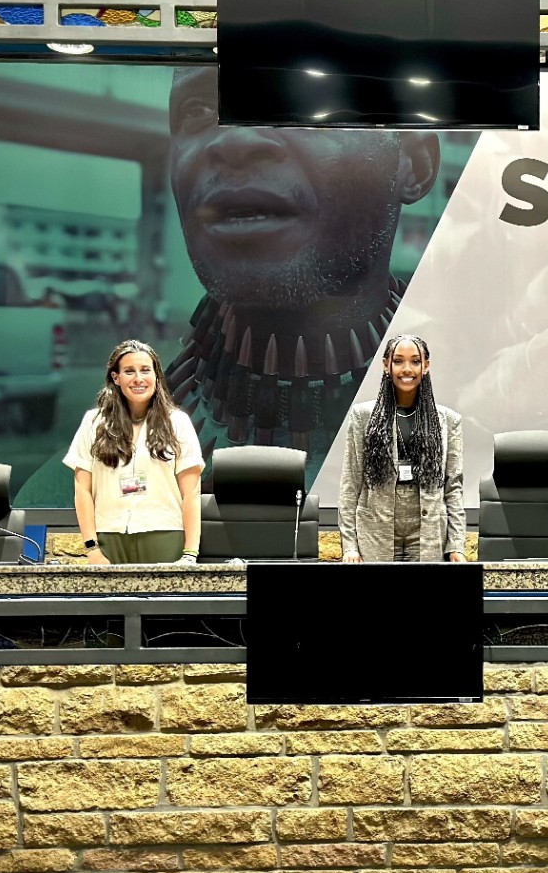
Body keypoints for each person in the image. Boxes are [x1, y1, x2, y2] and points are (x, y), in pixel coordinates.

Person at [162, 67, 442, 484]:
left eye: (311, 104)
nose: (237, 138)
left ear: (414, 165)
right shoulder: (105, 475)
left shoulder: (469, 430)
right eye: (200, 109)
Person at [64, 340, 204, 565]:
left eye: (146, 370)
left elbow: (191, 493)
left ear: (157, 377)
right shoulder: (94, 422)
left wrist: (189, 554)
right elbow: (82, 489)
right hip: (109, 537)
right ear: (115, 378)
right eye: (129, 371)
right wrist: (92, 549)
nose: (138, 378)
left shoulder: (178, 422)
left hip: (164, 533)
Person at [337, 335, 466, 562]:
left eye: (415, 361)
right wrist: (349, 546)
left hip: (427, 529)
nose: (407, 369)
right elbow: (351, 482)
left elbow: (453, 487)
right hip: (375, 528)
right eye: (398, 361)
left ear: (426, 366)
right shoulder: (362, 417)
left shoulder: (448, 420)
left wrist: (456, 545)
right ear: (386, 365)